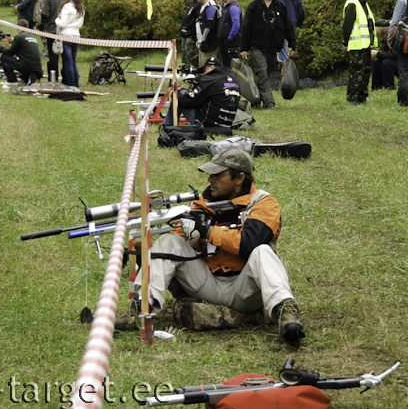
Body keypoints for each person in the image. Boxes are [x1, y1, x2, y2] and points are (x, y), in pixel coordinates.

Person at [116, 148, 305, 346]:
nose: (210, 180)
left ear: (239, 178)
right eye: (210, 174)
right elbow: (176, 246)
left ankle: (287, 314)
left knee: (262, 251)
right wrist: (144, 251)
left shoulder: (264, 204)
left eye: (217, 175)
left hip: (245, 289)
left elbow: (250, 242)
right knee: (168, 242)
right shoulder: (200, 205)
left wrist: (208, 231)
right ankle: (139, 311)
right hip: (206, 283)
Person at [240, 0, 297, 109]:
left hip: (273, 47)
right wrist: (244, 48)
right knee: (262, 72)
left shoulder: (280, 6)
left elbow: (288, 25)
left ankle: (255, 99)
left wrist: (292, 44)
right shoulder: (253, 6)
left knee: (265, 73)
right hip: (256, 46)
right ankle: (269, 102)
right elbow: (246, 28)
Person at [177, 57, 241, 131]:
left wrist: (182, 93)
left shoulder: (209, 80)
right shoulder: (234, 79)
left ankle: (168, 125)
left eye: (204, 70)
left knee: (179, 94)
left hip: (207, 123)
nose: (203, 74)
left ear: (212, 67)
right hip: (227, 123)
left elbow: (188, 101)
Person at [342, 0, 377, 104]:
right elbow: (347, 26)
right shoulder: (353, 3)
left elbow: (371, 21)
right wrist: (345, 43)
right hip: (356, 46)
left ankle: (362, 97)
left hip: (365, 44)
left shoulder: (363, 3)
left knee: (366, 72)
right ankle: (353, 98)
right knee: (356, 73)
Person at [38, 0, 66, 82]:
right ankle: (67, 79)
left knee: (53, 57)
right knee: (66, 57)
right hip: (65, 31)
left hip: (52, 30)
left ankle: (53, 80)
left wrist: (42, 24)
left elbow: (44, 14)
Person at [56, 0, 85, 89]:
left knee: (68, 63)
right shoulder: (80, 7)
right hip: (76, 36)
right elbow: (80, 24)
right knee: (73, 62)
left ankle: (71, 85)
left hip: (66, 36)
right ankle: (76, 84)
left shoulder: (66, 6)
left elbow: (62, 23)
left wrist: (57, 19)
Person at [0, 19, 44, 84]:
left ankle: (12, 80)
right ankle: (26, 78)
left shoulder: (19, 37)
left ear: (19, 28)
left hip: (27, 66)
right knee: (25, 60)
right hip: (38, 67)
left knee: (4, 57)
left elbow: (10, 53)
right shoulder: (33, 36)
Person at [194, 0, 221, 67]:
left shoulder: (210, 6)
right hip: (203, 44)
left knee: (208, 67)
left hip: (209, 45)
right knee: (202, 67)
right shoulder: (204, 6)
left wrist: (203, 40)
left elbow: (210, 25)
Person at [217, 0, 242, 68]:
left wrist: (230, 38)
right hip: (224, 42)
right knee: (225, 65)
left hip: (230, 44)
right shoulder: (226, 7)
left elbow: (236, 24)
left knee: (231, 66)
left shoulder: (233, 8)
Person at [181, 0, 203, 65]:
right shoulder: (192, 4)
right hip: (185, 36)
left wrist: (194, 35)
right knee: (185, 61)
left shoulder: (199, 4)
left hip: (192, 37)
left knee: (192, 61)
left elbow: (198, 21)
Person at [371, 25, 399, 91]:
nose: (383, 37)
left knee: (385, 63)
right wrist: (379, 55)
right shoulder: (385, 41)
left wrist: (379, 54)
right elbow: (385, 53)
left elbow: (394, 56)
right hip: (392, 61)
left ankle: (389, 86)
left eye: (383, 35)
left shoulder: (396, 40)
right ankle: (376, 87)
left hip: (401, 63)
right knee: (376, 62)